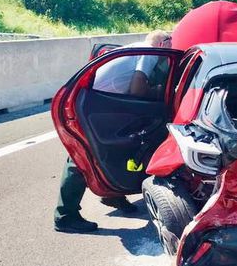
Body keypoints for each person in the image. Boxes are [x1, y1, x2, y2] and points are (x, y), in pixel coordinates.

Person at [54, 30, 172, 233]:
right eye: (171, 41)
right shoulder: (150, 52)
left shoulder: (133, 49)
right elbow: (137, 89)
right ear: (163, 43)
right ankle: (65, 217)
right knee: (80, 159)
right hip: (95, 106)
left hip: (100, 103)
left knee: (113, 150)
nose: (173, 45)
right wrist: (161, 91)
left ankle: (112, 195)